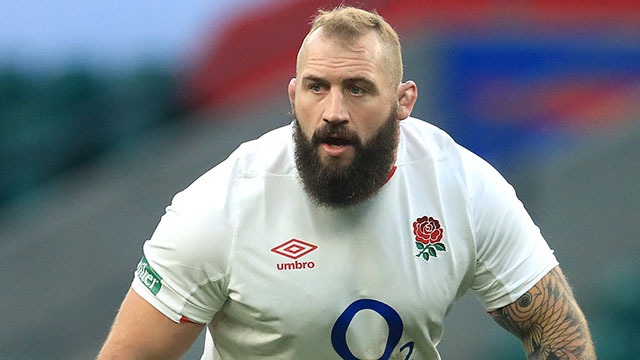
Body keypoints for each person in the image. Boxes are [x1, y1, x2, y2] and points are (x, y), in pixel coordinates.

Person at [98, 6, 596, 360]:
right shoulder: (219, 206)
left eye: (357, 89)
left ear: (404, 101)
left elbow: (551, 324)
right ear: (294, 95)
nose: (334, 112)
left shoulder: (463, 188)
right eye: (317, 88)